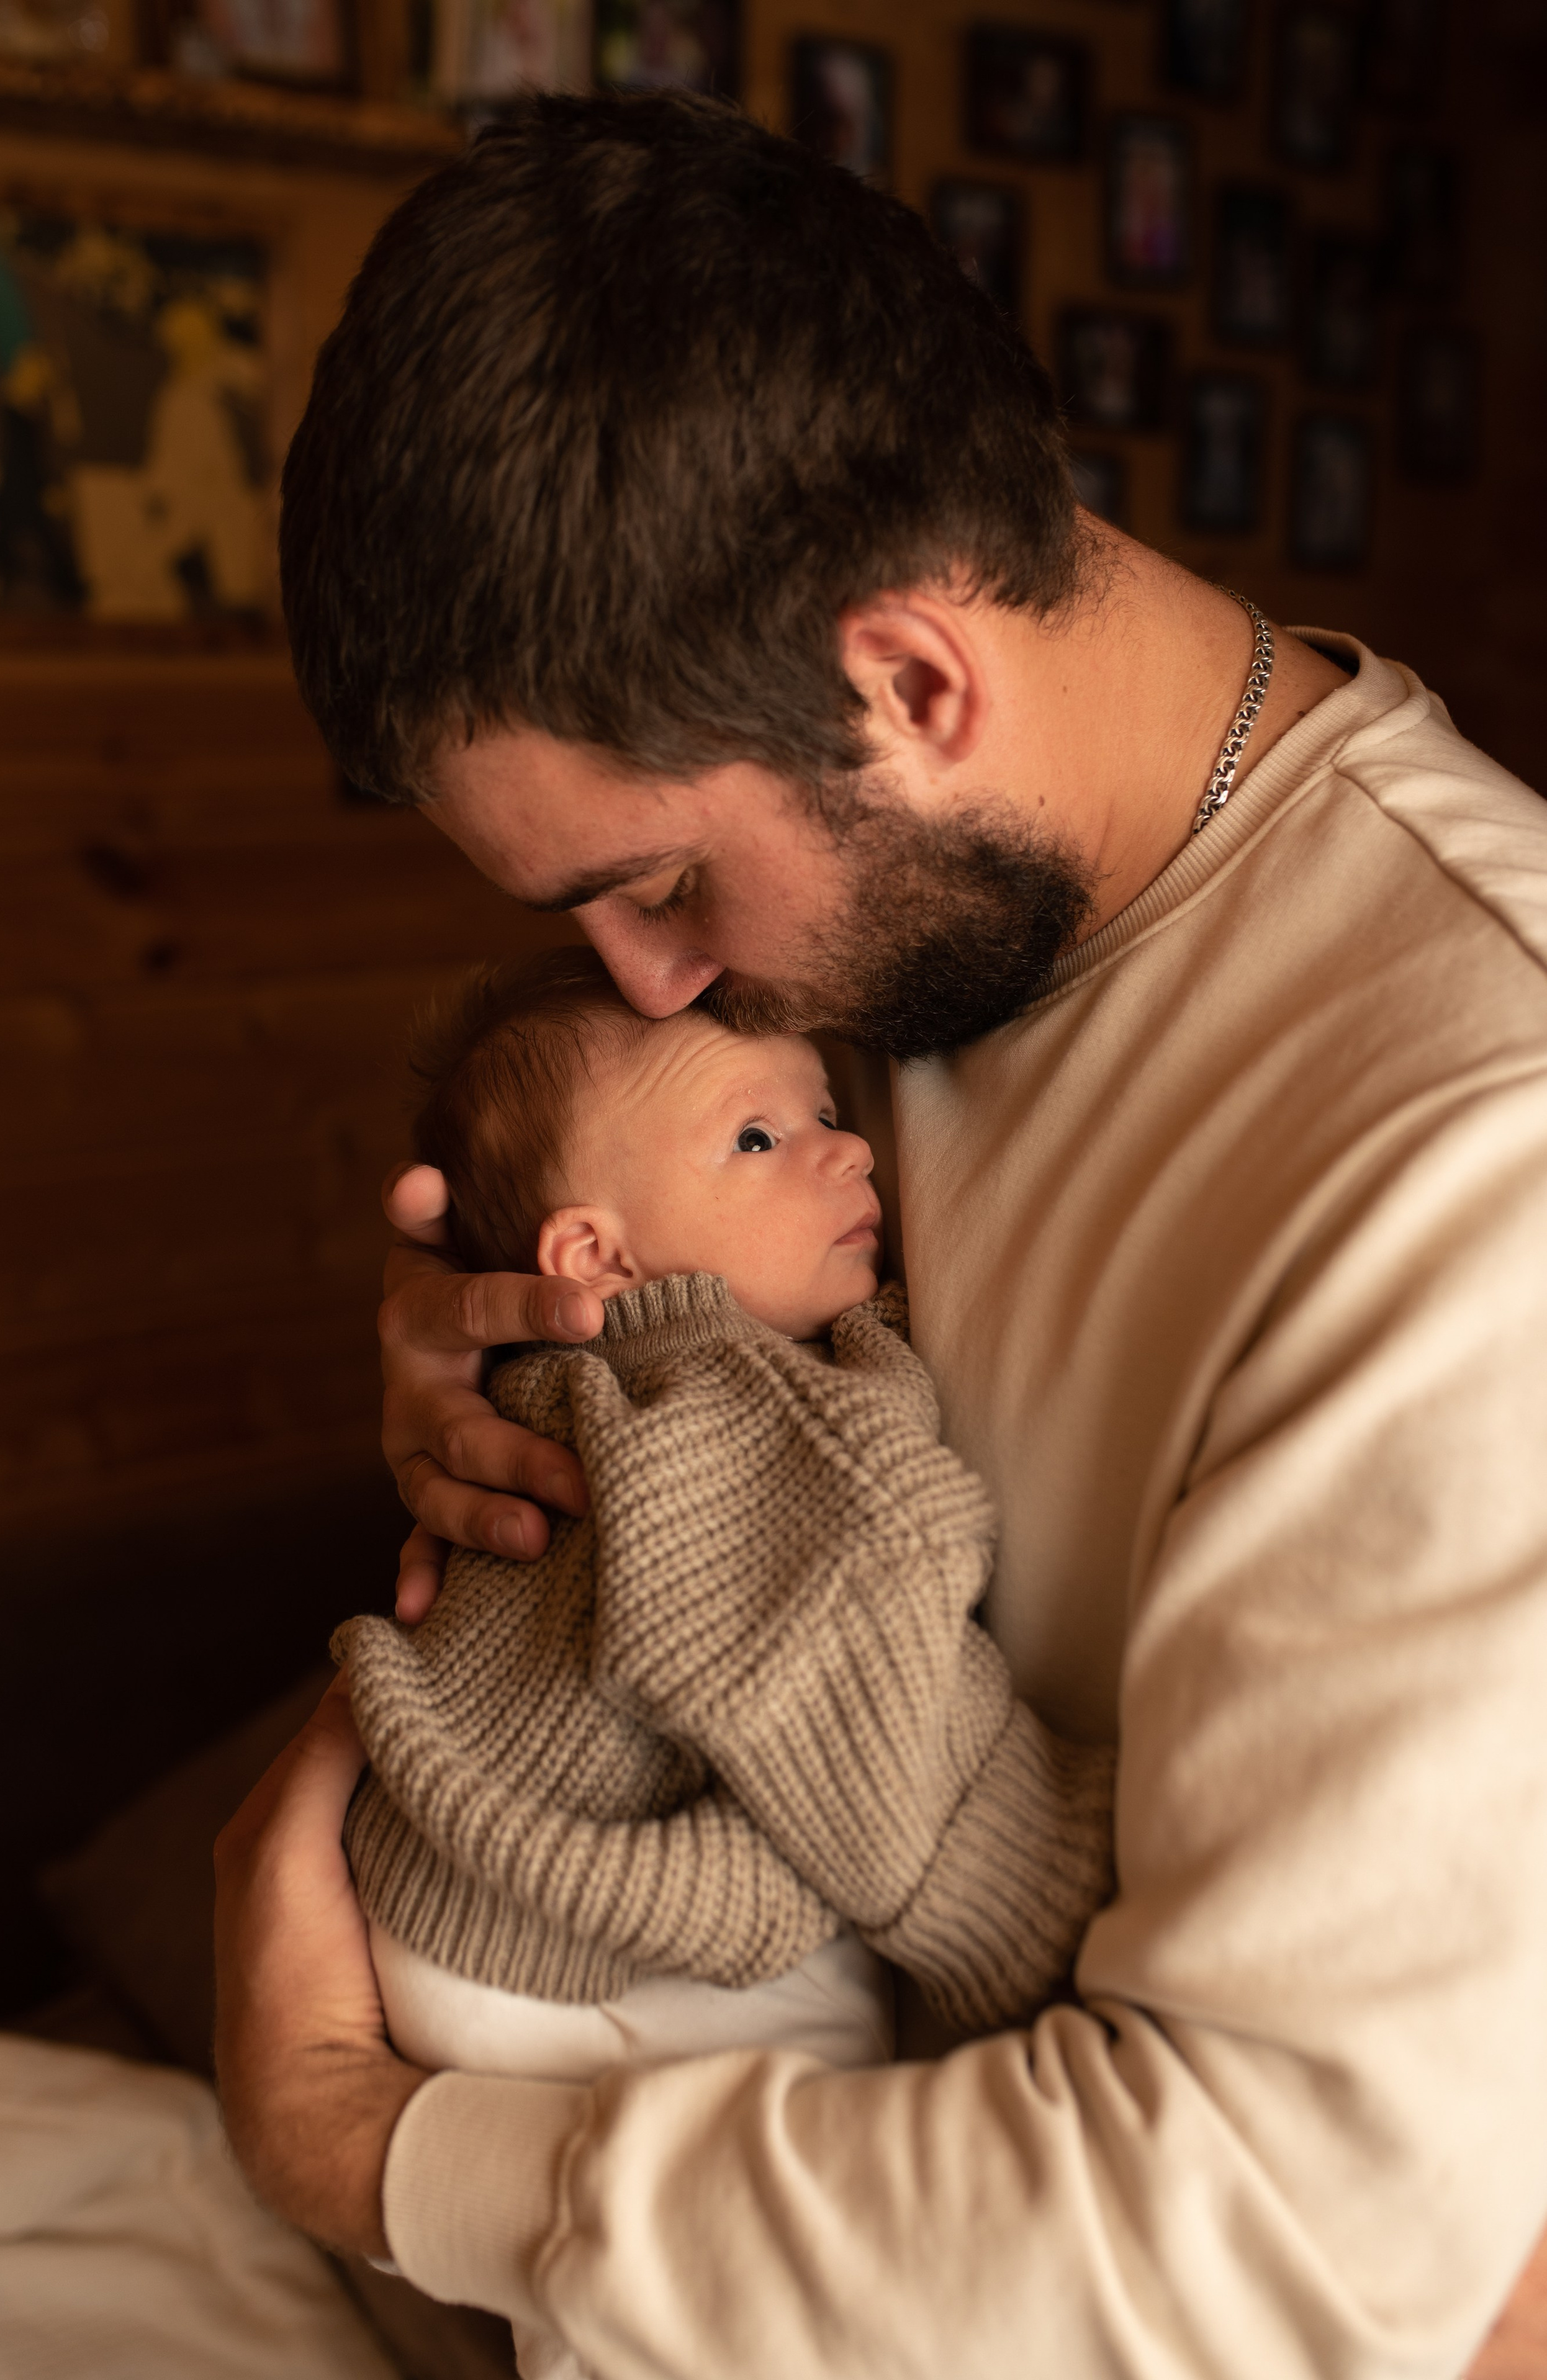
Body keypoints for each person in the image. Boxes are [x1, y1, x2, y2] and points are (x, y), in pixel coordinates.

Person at [215, 89, 1547, 2378]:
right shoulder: (884, 947)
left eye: (653, 876)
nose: (650, 980)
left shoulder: (1472, 1145)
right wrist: (519, 1411)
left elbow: (1242, 2251)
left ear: (913, 682)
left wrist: (364, 2139)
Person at [333, 946, 1114, 2380]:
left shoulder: (599, 1386)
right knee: (771, 2277)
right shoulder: (712, 1405)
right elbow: (853, 1693)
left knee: (600, 2320)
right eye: (758, 1139)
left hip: (481, 1925)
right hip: (596, 1950)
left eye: (825, 1112)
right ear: (595, 1258)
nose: (847, 1154)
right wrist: (1066, 1891)